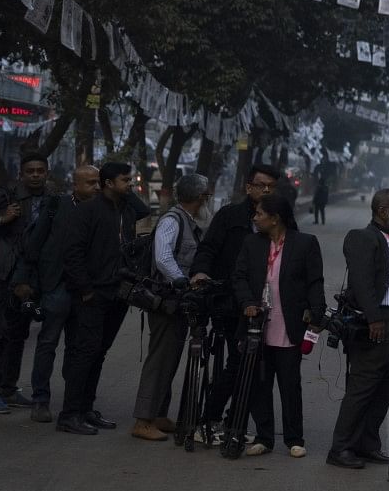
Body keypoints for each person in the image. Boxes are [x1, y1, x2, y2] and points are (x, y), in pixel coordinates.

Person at [51, 161, 146, 435]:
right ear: (108, 183)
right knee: (85, 352)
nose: (130, 184)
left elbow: (144, 212)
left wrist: (127, 193)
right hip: (93, 294)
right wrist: (86, 289)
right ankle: (69, 414)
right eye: (125, 180)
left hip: (118, 293)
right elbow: (73, 253)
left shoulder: (125, 210)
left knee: (99, 353)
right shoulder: (87, 211)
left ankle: (86, 409)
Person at [327, 188, 389, 471]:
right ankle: (341, 447)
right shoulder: (363, 238)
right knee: (363, 386)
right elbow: (362, 282)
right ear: (382, 211)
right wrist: (373, 318)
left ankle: (368, 442)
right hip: (378, 320)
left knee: (386, 385)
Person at [229, 196, 324, 458]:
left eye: (259, 214)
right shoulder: (252, 243)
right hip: (257, 326)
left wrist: (317, 316)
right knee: (260, 383)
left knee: (290, 384)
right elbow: (238, 276)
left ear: (275, 218)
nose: (255, 218)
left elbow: (315, 281)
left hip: (289, 325)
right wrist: (248, 301)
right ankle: (264, 437)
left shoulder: (305, 244)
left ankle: (294, 438)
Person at [190, 165, 281, 436]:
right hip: (232, 304)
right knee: (238, 361)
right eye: (261, 184)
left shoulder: (279, 219)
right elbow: (208, 248)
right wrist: (200, 272)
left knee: (257, 367)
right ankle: (212, 418)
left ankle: (235, 420)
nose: (265, 190)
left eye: (270, 186)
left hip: (268, 306)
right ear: (248, 187)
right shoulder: (229, 215)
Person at [130, 174, 208, 440]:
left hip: (177, 303)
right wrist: (181, 282)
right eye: (206, 195)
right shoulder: (172, 221)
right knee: (160, 359)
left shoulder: (187, 220)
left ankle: (159, 414)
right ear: (200, 198)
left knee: (170, 358)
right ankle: (143, 420)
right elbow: (163, 257)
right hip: (165, 301)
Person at [24, 164, 98, 423]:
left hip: (85, 291)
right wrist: (24, 280)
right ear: (75, 185)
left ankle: (73, 403)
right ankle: (40, 399)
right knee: (47, 344)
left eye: (98, 182)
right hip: (56, 287)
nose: (96, 187)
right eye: (89, 183)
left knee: (78, 348)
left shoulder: (102, 210)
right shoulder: (57, 206)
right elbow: (34, 245)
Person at [0, 153, 52, 414]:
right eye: (30, 171)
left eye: (40, 171)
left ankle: (9, 388)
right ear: (21, 173)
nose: (35, 175)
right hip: (5, 272)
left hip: (34, 276)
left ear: (47, 173)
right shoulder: (4, 195)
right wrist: (3, 218)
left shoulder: (51, 200)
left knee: (20, 333)